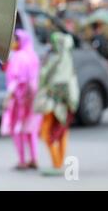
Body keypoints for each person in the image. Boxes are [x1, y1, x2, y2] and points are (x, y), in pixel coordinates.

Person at [38, 32, 79, 176]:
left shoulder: (60, 60)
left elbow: (58, 82)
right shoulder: (61, 58)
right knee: (60, 133)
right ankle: (58, 163)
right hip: (60, 103)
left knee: (49, 133)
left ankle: (57, 164)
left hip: (56, 103)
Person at [0, 29, 42, 170]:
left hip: (19, 99)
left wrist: (8, 98)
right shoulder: (33, 56)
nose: (13, 43)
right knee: (31, 130)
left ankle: (22, 160)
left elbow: (15, 80)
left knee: (17, 130)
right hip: (32, 98)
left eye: (14, 40)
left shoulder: (18, 57)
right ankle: (34, 159)